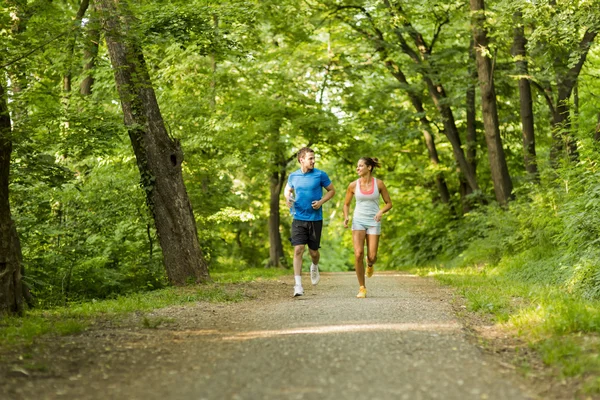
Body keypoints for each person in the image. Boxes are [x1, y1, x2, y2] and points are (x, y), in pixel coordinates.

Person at [284, 147, 336, 297]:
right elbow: (288, 190)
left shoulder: (320, 175)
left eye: (314, 158)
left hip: (315, 219)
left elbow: (332, 190)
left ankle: (314, 266)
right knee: (298, 249)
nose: (313, 161)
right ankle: (298, 285)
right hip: (298, 217)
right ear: (302, 160)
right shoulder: (293, 176)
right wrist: (287, 198)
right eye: (310, 158)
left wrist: (321, 202)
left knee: (313, 252)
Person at [343, 157, 392, 298]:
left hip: (373, 221)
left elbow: (389, 203)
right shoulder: (353, 185)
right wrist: (346, 217)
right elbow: (346, 204)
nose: (357, 168)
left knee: (372, 256)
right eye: (357, 166)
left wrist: (381, 211)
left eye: (360, 166)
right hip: (358, 221)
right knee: (358, 254)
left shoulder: (379, 184)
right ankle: (362, 287)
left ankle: (369, 265)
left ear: (369, 167)